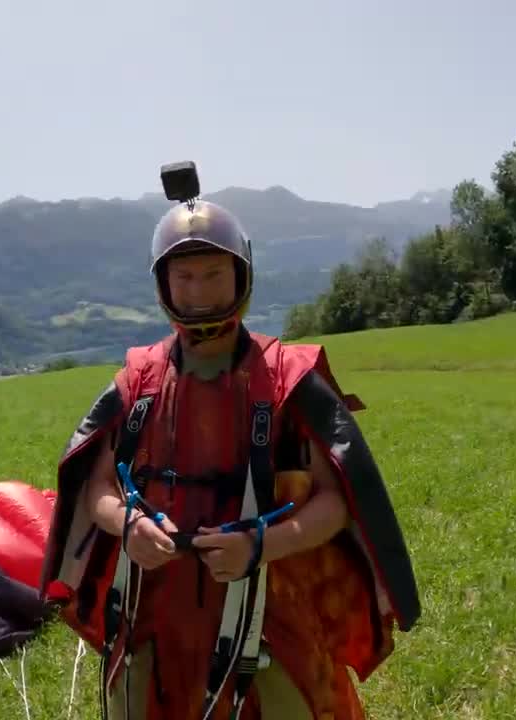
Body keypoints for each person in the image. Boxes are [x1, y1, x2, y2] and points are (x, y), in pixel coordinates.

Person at [38, 162, 421, 719]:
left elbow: (337, 503)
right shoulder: (138, 381)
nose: (198, 293)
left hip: (273, 610)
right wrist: (127, 524)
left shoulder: (289, 379)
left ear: (240, 276)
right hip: (154, 614)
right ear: (163, 283)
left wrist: (261, 546)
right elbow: (97, 484)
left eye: (213, 274)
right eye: (185, 277)